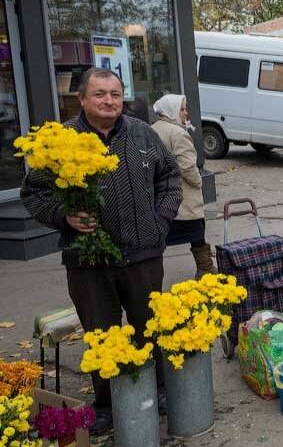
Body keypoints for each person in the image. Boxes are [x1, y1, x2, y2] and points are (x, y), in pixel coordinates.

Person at [20, 68, 182, 435]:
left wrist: (159, 223)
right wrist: (65, 216)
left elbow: (170, 179)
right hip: (89, 262)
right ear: (82, 99)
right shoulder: (62, 142)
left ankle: (156, 390)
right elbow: (34, 194)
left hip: (143, 257)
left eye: (115, 93)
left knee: (149, 329)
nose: (109, 100)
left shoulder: (142, 134)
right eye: (99, 94)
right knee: (101, 335)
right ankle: (108, 404)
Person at [151, 94, 214, 278]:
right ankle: (205, 269)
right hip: (183, 197)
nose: (186, 113)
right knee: (197, 232)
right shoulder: (178, 133)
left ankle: (153, 274)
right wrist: (199, 181)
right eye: (182, 109)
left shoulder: (151, 129)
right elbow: (187, 166)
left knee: (161, 237)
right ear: (171, 111)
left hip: (160, 197)